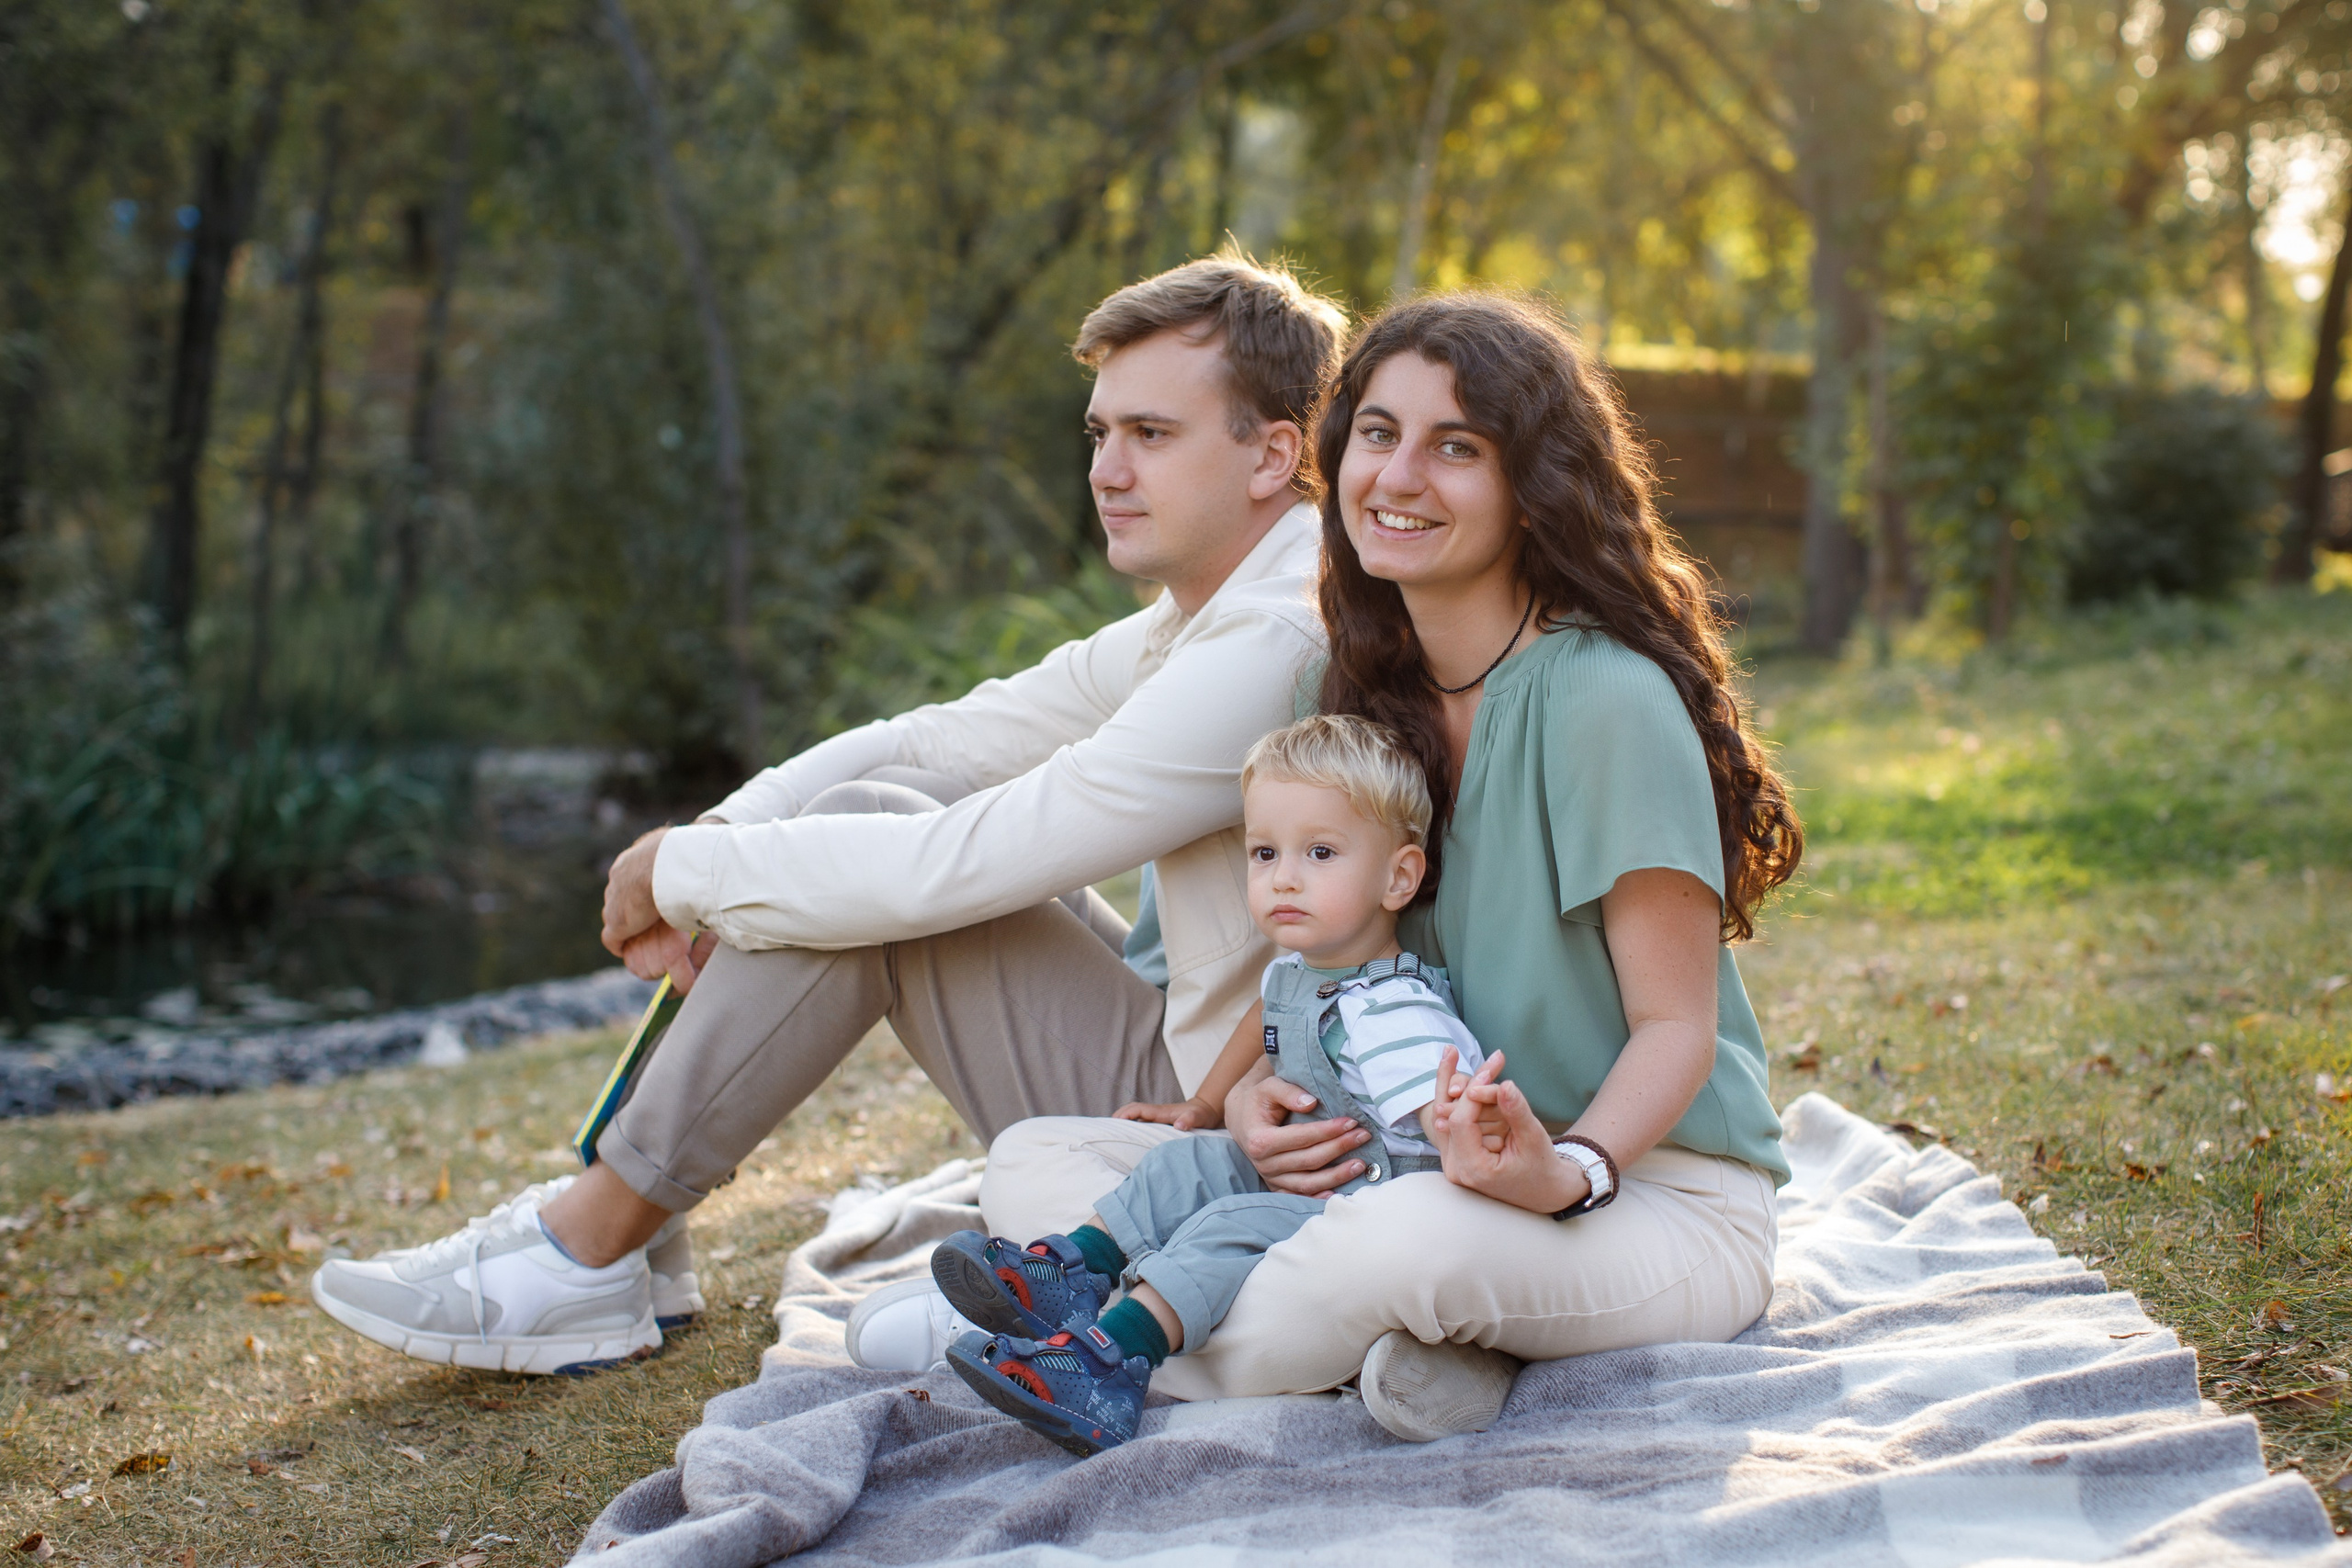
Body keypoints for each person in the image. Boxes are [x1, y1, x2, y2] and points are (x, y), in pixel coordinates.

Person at [309, 253, 1349, 1376]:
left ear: (1273, 454)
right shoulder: (1206, 612)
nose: (1107, 469)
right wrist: (713, 839)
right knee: (869, 813)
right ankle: (617, 1235)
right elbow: (940, 740)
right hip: (1203, 1072)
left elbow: (967, 863)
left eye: (1150, 434)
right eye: (1097, 434)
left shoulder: (1271, 642)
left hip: (1234, 1128)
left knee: (897, 875)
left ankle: (591, 1246)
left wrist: (685, 880)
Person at [969, 290, 1805, 1439]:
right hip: (1405, 1167)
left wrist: (1562, 1175)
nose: (1398, 477)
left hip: (1642, 1194)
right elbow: (1333, 967)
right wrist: (1256, 1097)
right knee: (1039, 1161)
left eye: (1455, 447)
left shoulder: (1602, 699)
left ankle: (1060, 1350)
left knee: (1397, 1247)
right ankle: (1410, 1354)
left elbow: (1677, 1026)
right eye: (1377, 433)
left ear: (1532, 484)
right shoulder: (1354, 693)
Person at [923, 715, 1494, 1454]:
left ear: (1398, 876)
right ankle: (1070, 1270)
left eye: (1320, 852)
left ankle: (1106, 1365)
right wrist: (1202, 1103)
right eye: (1265, 852)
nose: (1284, 875)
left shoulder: (1390, 1008)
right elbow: (1264, 1024)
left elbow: (1441, 1101)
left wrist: (1457, 1116)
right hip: (1299, 1178)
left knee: (1218, 1230)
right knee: (1181, 1161)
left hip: (1365, 1203)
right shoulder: (1299, 971)